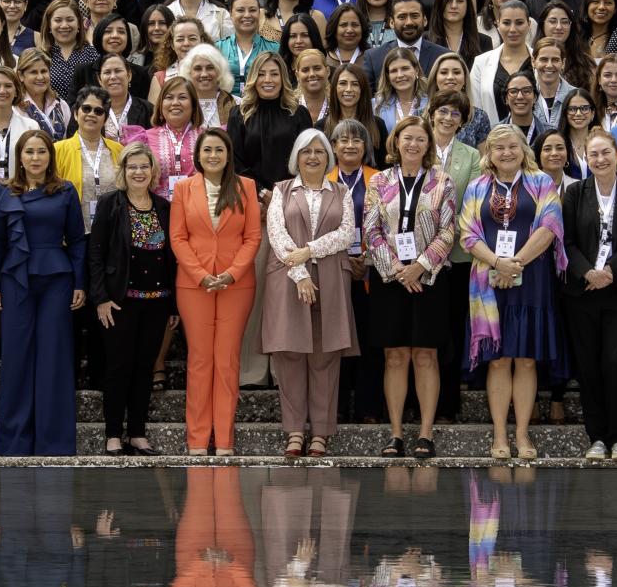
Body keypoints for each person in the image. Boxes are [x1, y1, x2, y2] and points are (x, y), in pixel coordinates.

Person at [460, 125, 566, 459]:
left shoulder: (541, 183)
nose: (506, 153)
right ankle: (499, 436)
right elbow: (466, 233)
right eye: (498, 148)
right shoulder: (477, 187)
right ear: (488, 154)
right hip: (488, 284)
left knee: (526, 360)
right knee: (498, 361)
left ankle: (522, 436)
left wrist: (514, 264)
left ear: (523, 149)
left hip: (531, 279)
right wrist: (496, 263)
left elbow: (550, 226)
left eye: (512, 146)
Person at [361, 114, 458, 457]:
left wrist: (419, 266)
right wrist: (398, 269)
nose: (413, 144)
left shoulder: (442, 182)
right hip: (391, 279)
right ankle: (397, 433)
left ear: (428, 145)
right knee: (395, 356)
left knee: (426, 356)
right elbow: (370, 230)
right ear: (396, 143)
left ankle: (426, 434)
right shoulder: (379, 182)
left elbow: (449, 231)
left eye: (420, 139)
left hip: (429, 279)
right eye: (407, 138)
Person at [0, 130, 86, 454]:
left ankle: (53, 442)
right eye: (29, 152)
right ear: (20, 156)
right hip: (15, 280)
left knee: (54, 359)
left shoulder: (65, 191)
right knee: (16, 358)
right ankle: (14, 442)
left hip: (56, 280)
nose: (35, 158)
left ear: (50, 156)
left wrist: (79, 283)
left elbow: (77, 240)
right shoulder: (3, 193)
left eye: (41, 151)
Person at [262, 130, 360, 456]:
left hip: (331, 278)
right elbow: (277, 234)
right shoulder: (281, 190)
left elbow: (346, 234)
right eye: (306, 151)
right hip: (290, 279)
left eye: (320, 151)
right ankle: (293, 431)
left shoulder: (341, 192)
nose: (313, 157)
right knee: (289, 356)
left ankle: (321, 432)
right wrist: (301, 272)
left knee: (325, 357)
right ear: (297, 156)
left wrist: (309, 251)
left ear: (328, 157)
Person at [170, 128, 262, 455]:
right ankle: (196, 439)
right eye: (207, 150)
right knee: (199, 360)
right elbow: (178, 238)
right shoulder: (183, 189)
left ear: (228, 155)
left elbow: (252, 237)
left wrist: (231, 274)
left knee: (226, 360)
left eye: (218, 150)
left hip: (236, 285)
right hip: (194, 285)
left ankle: (223, 440)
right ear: (198, 155)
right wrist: (201, 275)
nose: (213, 156)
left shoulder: (246, 187)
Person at [559, 129, 617, 459]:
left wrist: (612, 270)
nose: (600, 159)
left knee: (615, 361)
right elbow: (565, 241)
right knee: (589, 365)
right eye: (593, 154)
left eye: (605, 153)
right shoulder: (574, 193)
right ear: (586, 157)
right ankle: (596, 437)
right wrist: (588, 272)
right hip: (582, 290)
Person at [89, 142, 175, 455]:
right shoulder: (111, 204)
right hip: (118, 303)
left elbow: (172, 259)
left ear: (153, 171)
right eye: (132, 166)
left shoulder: (164, 207)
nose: (139, 172)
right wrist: (100, 298)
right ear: (124, 171)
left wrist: (174, 305)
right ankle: (114, 433)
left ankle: (137, 433)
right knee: (118, 367)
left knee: (144, 368)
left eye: (144, 166)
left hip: (157, 302)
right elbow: (95, 254)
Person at [53, 85, 124, 226]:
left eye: (98, 111)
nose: (91, 114)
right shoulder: (58, 150)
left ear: (105, 119)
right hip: (75, 232)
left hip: (113, 231)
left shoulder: (119, 150)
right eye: (86, 109)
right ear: (75, 113)